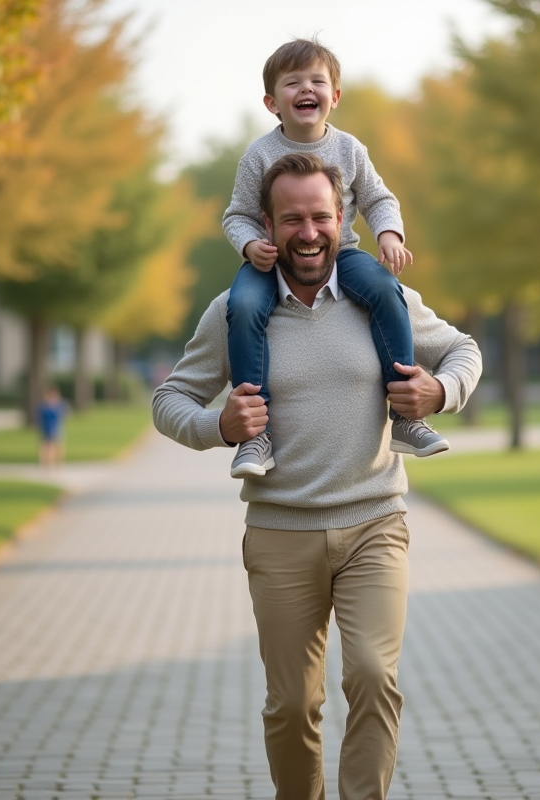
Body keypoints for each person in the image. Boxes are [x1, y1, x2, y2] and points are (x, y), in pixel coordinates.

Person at [152, 152, 482, 800]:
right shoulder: (235, 309)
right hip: (280, 534)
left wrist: (441, 392)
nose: (308, 233)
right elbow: (170, 400)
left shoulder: (381, 298)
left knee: (372, 677)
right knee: (292, 705)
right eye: (292, 220)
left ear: (342, 218)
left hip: (374, 524)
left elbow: (462, 349)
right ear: (266, 227)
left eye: (321, 217)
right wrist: (220, 426)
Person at [221, 37, 448, 480]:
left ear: (335, 96)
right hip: (272, 259)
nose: (307, 89)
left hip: (341, 253)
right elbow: (238, 215)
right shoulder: (258, 155)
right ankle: (255, 435)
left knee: (384, 287)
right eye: (293, 83)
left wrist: (388, 235)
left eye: (317, 81)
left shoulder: (349, 149)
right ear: (272, 103)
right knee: (243, 304)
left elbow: (379, 199)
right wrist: (250, 246)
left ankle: (406, 416)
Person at [37, 385, 70, 470]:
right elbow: (40, 417)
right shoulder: (44, 406)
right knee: (46, 447)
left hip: (57, 428)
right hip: (46, 428)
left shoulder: (60, 405)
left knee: (58, 446)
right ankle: (46, 465)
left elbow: (66, 415)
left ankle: (58, 464)